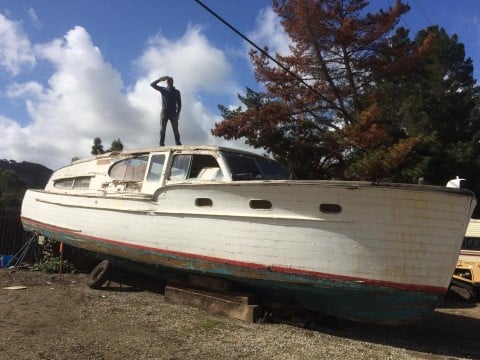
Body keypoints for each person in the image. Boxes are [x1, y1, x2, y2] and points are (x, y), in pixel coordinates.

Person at [150, 76, 182, 146]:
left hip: (173, 113)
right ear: (166, 82)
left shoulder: (177, 92)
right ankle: (161, 144)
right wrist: (160, 79)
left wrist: (178, 113)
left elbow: (179, 104)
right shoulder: (163, 89)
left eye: (170, 81)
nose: (169, 82)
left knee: (176, 130)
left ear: (172, 82)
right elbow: (152, 84)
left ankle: (178, 143)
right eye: (167, 81)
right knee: (162, 129)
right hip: (164, 113)